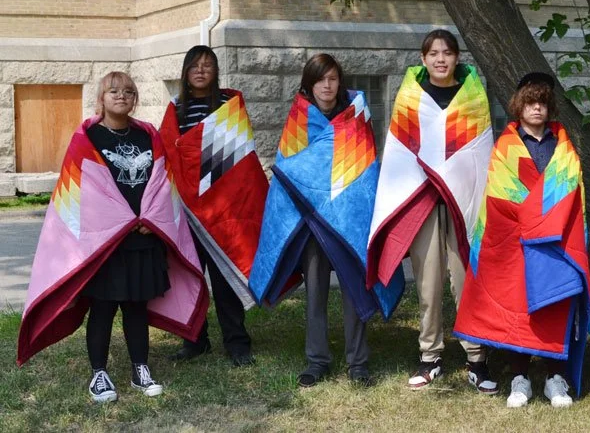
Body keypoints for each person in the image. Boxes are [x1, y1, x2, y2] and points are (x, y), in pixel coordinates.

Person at [17, 71, 207, 403]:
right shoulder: (87, 138)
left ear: (135, 100)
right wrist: (116, 222)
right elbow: (80, 191)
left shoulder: (148, 135)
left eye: (129, 91)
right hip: (105, 244)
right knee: (103, 308)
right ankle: (99, 374)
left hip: (143, 239)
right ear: (101, 99)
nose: (122, 96)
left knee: (136, 307)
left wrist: (154, 218)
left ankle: (140, 369)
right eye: (114, 91)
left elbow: (163, 182)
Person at [249, 53, 404, 388]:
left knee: (354, 288)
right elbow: (289, 167)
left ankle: (358, 363)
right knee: (315, 293)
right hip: (312, 224)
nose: (327, 86)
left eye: (333, 79)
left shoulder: (356, 115)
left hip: (349, 218)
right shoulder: (299, 120)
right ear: (310, 84)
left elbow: (365, 170)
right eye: (320, 80)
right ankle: (317, 360)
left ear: (340, 81)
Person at [365, 29, 497, 393]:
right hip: (423, 202)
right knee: (428, 282)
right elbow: (400, 151)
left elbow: (479, 153)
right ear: (423, 59)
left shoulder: (473, 97)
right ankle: (430, 356)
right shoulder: (411, 97)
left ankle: (477, 357)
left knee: (466, 279)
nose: (441, 59)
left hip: (464, 204)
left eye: (447, 53)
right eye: (434, 53)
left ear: (457, 58)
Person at [453, 72, 590, 408]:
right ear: (519, 105)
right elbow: (500, 198)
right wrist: (536, 217)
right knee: (518, 309)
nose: (537, 108)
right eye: (530, 102)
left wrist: (548, 221)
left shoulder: (564, 148)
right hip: (516, 243)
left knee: (555, 305)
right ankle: (520, 378)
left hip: (556, 243)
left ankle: (555, 379)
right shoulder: (506, 147)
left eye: (542, 102)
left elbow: (573, 195)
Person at [160, 45, 268, 367]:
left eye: (207, 65)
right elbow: (170, 153)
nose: (201, 71)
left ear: (216, 71)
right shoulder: (176, 109)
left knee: (225, 280)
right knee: (191, 277)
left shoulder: (227, 106)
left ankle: (237, 343)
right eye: (195, 65)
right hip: (189, 210)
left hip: (223, 209)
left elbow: (241, 160)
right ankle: (195, 341)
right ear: (185, 71)